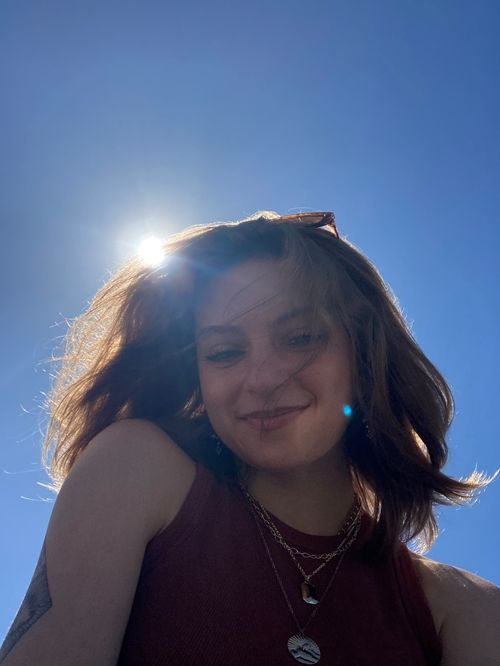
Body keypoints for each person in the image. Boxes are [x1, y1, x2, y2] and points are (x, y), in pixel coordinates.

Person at [1, 210, 499, 665]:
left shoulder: (462, 610)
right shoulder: (135, 470)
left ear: (364, 354)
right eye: (224, 352)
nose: (262, 378)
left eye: (300, 338)